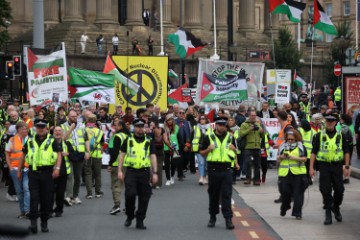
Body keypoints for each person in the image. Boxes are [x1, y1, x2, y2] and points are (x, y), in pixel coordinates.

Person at [18, 119, 62, 233]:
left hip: (47, 173)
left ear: (46, 128)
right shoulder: (30, 140)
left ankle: (44, 223)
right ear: (35, 128)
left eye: (43, 127)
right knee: (33, 199)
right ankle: (33, 224)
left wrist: (57, 168)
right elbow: (23, 155)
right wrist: (19, 170)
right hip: (33, 173)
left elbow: (59, 154)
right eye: (38, 127)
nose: (41, 129)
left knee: (45, 200)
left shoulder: (51, 140)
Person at [309, 112, 350, 225]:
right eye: (328, 121)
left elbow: (346, 151)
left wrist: (346, 166)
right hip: (324, 166)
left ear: (335, 123)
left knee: (339, 190)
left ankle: (335, 207)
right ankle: (328, 212)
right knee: (324, 189)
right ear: (325, 123)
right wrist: (311, 168)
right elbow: (313, 153)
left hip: (337, 166)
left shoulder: (341, 135)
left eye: (332, 121)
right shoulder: (319, 135)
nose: (330, 123)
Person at [117, 119, 158, 230]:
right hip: (131, 171)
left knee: (144, 197)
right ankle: (130, 216)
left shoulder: (149, 141)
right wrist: (120, 171)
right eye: (138, 126)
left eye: (142, 126)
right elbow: (122, 156)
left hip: (144, 172)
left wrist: (155, 173)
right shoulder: (128, 140)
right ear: (134, 128)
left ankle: (140, 220)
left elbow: (153, 156)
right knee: (130, 195)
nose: (140, 128)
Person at [199, 117, 237, 230]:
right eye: (220, 125)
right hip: (213, 169)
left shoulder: (230, 137)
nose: (222, 127)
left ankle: (228, 219)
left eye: (224, 125)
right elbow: (201, 153)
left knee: (226, 195)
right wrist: (208, 150)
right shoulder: (208, 137)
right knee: (213, 195)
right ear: (215, 125)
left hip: (226, 170)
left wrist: (234, 149)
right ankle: (212, 217)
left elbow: (235, 152)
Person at [61, 110, 90, 206]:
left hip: (80, 153)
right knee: (70, 176)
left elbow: (86, 139)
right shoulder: (63, 126)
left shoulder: (82, 125)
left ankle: (75, 196)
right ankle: (68, 196)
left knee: (78, 177)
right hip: (69, 153)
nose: (74, 117)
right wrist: (70, 129)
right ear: (68, 116)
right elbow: (63, 138)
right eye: (72, 116)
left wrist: (87, 151)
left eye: (75, 116)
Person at [277, 130, 307, 220]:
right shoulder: (282, 146)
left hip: (298, 173)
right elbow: (278, 159)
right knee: (285, 192)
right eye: (288, 139)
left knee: (298, 194)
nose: (290, 141)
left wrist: (294, 157)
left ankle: (298, 213)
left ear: (296, 138)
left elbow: (305, 159)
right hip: (284, 173)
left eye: (292, 139)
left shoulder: (301, 146)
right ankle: (285, 207)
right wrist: (281, 157)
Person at [5, 121, 30, 219]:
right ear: (19, 130)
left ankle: (28, 210)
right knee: (19, 191)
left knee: (26, 188)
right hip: (15, 169)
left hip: (27, 169)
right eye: (24, 128)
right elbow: (7, 153)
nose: (26, 130)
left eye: (27, 129)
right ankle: (23, 211)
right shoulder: (12, 140)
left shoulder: (30, 140)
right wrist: (10, 168)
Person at [107, 120, 127, 215]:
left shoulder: (117, 136)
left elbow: (114, 152)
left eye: (116, 125)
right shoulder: (127, 136)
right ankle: (128, 206)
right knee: (128, 186)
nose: (114, 127)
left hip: (117, 164)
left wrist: (110, 164)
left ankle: (117, 205)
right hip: (127, 164)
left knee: (116, 185)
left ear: (120, 126)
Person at [240, 110, 264, 185]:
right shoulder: (244, 124)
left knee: (257, 164)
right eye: (252, 115)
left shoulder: (258, 124)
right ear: (249, 116)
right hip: (248, 146)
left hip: (257, 146)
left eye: (255, 115)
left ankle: (256, 179)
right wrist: (249, 129)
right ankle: (248, 178)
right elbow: (241, 134)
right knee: (248, 163)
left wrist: (261, 131)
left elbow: (262, 136)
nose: (254, 117)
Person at [51, 126, 70, 217]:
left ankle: (59, 210)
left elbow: (76, 155)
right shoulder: (49, 143)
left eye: (59, 131)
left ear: (62, 133)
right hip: (50, 171)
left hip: (63, 172)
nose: (57, 132)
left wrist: (68, 153)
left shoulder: (66, 143)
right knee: (49, 192)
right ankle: (48, 210)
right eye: (55, 131)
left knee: (60, 192)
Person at [84, 114, 104, 199]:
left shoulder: (83, 130)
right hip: (97, 154)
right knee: (97, 174)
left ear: (87, 121)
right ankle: (98, 192)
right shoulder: (99, 131)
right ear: (95, 121)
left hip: (87, 154)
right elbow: (102, 144)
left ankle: (89, 193)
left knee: (88, 174)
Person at [192, 114, 211, 185]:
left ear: (206, 120)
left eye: (203, 119)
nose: (202, 120)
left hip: (208, 148)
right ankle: (201, 177)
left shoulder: (211, 128)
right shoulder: (195, 127)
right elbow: (191, 137)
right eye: (201, 119)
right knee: (201, 163)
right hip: (199, 147)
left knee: (207, 163)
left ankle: (206, 176)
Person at [163, 114, 180, 186]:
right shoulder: (164, 128)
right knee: (167, 164)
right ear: (166, 121)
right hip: (166, 148)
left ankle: (172, 176)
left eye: (170, 120)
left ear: (173, 120)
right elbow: (164, 139)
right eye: (168, 120)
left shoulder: (176, 127)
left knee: (174, 164)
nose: (169, 121)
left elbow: (178, 137)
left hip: (175, 148)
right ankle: (168, 179)